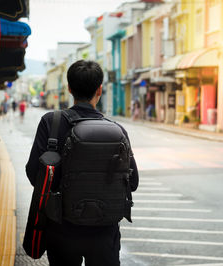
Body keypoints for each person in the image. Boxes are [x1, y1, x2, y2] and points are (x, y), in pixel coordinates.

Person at [25, 60, 139, 266]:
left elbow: (34, 172)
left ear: (69, 88)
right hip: (105, 232)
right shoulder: (116, 130)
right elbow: (133, 182)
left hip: (61, 228)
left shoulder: (51, 122)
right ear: (100, 90)